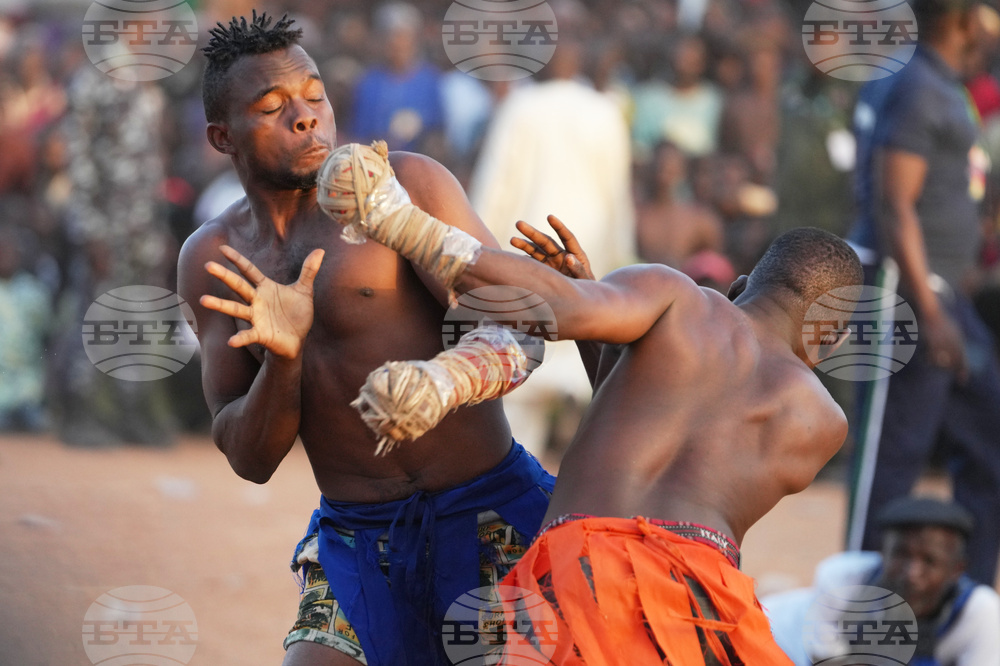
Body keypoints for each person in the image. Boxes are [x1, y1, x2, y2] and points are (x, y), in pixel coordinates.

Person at [283, 150, 864, 663]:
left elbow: (558, 318)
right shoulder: (822, 422)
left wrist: (400, 222)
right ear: (829, 337)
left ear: (740, 284)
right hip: (695, 606)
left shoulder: (678, 298)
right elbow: (679, 437)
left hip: (577, 573)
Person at [177, 12, 554, 666]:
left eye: (314, 95)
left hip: (490, 513)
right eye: (272, 107)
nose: (306, 117)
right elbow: (249, 457)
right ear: (221, 136)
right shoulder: (212, 256)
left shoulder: (404, 187)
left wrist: (446, 380)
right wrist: (283, 361)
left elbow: (523, 324)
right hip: (357, 535)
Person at [845, 0, 1000, 586]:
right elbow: (893, 204)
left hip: (941, 293)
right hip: (904, 293)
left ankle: (969, 603)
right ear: (963, 20)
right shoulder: (915, 85)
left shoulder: (939, 82)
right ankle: (859, 606)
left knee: (989, 440)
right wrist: (930, 313)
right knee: (889, 459)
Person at [764, 496, 1000, 665]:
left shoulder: (980, 612)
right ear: (881, 553)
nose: (912, 572)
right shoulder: (842, 579)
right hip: (771, 643)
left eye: (929, 560)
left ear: (957, 569)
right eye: (901, 555)